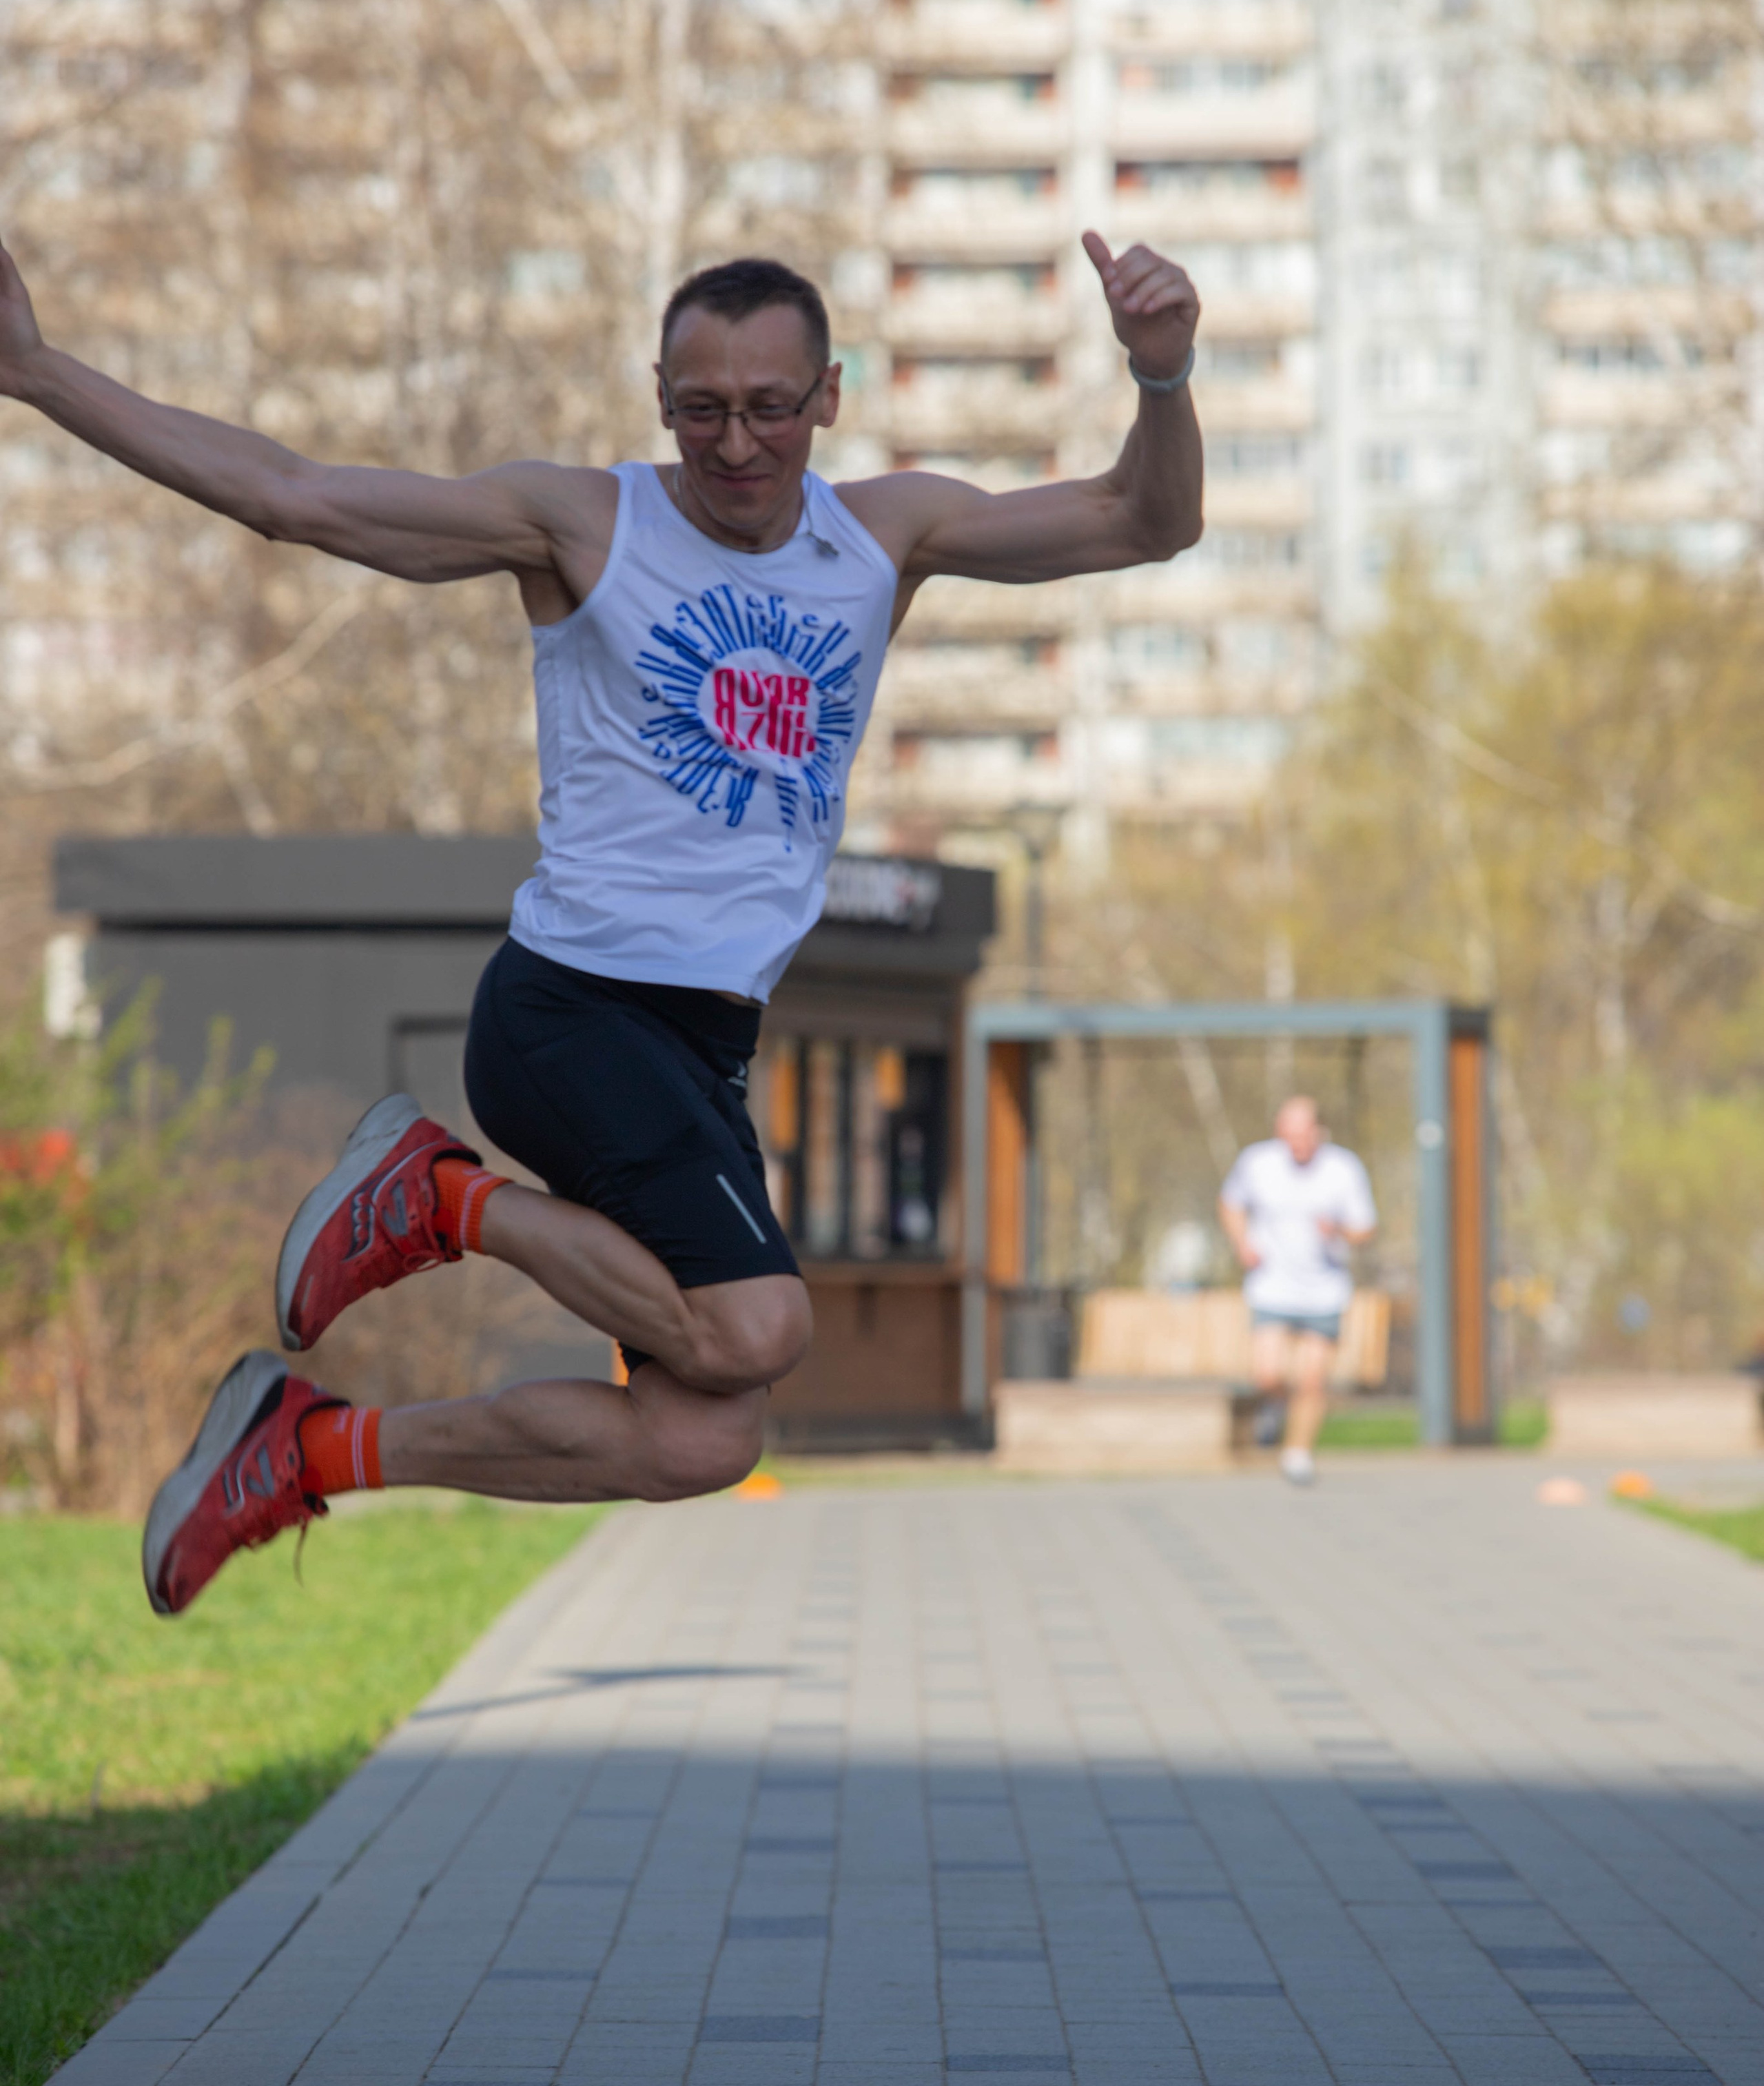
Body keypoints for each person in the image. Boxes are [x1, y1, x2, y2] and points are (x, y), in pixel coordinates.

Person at [0, 230, 1203, 1613]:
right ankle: (433, 1194)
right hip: (572, 1006)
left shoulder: (883, 536)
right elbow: (295, 496)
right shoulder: (584, 527)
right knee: (762, 1323)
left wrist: (1159, 377)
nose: (735, 445)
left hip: (704, 1045)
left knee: (702, 1434)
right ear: (656, 395)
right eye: (701, 409)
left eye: (768, 407)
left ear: (827, 397)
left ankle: (312, 1448)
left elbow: (1142, 522)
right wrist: (34, 373)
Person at [1218, 1095, 1377, 1487]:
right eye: (1288, 1135)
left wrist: (1337, 1230)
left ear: (1319, 1132)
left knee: (1311, 1380)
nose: (1296, 1144)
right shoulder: (1257, 1163)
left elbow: (1364, 1228)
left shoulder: (1343, 1168)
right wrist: (1242, 1242)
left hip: (1323, 1290)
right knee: (1267, 1374)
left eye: (1303, 1135)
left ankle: (1297, 1453)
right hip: (1271, 1286)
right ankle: (1275, 1406)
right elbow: (1231, 1204)